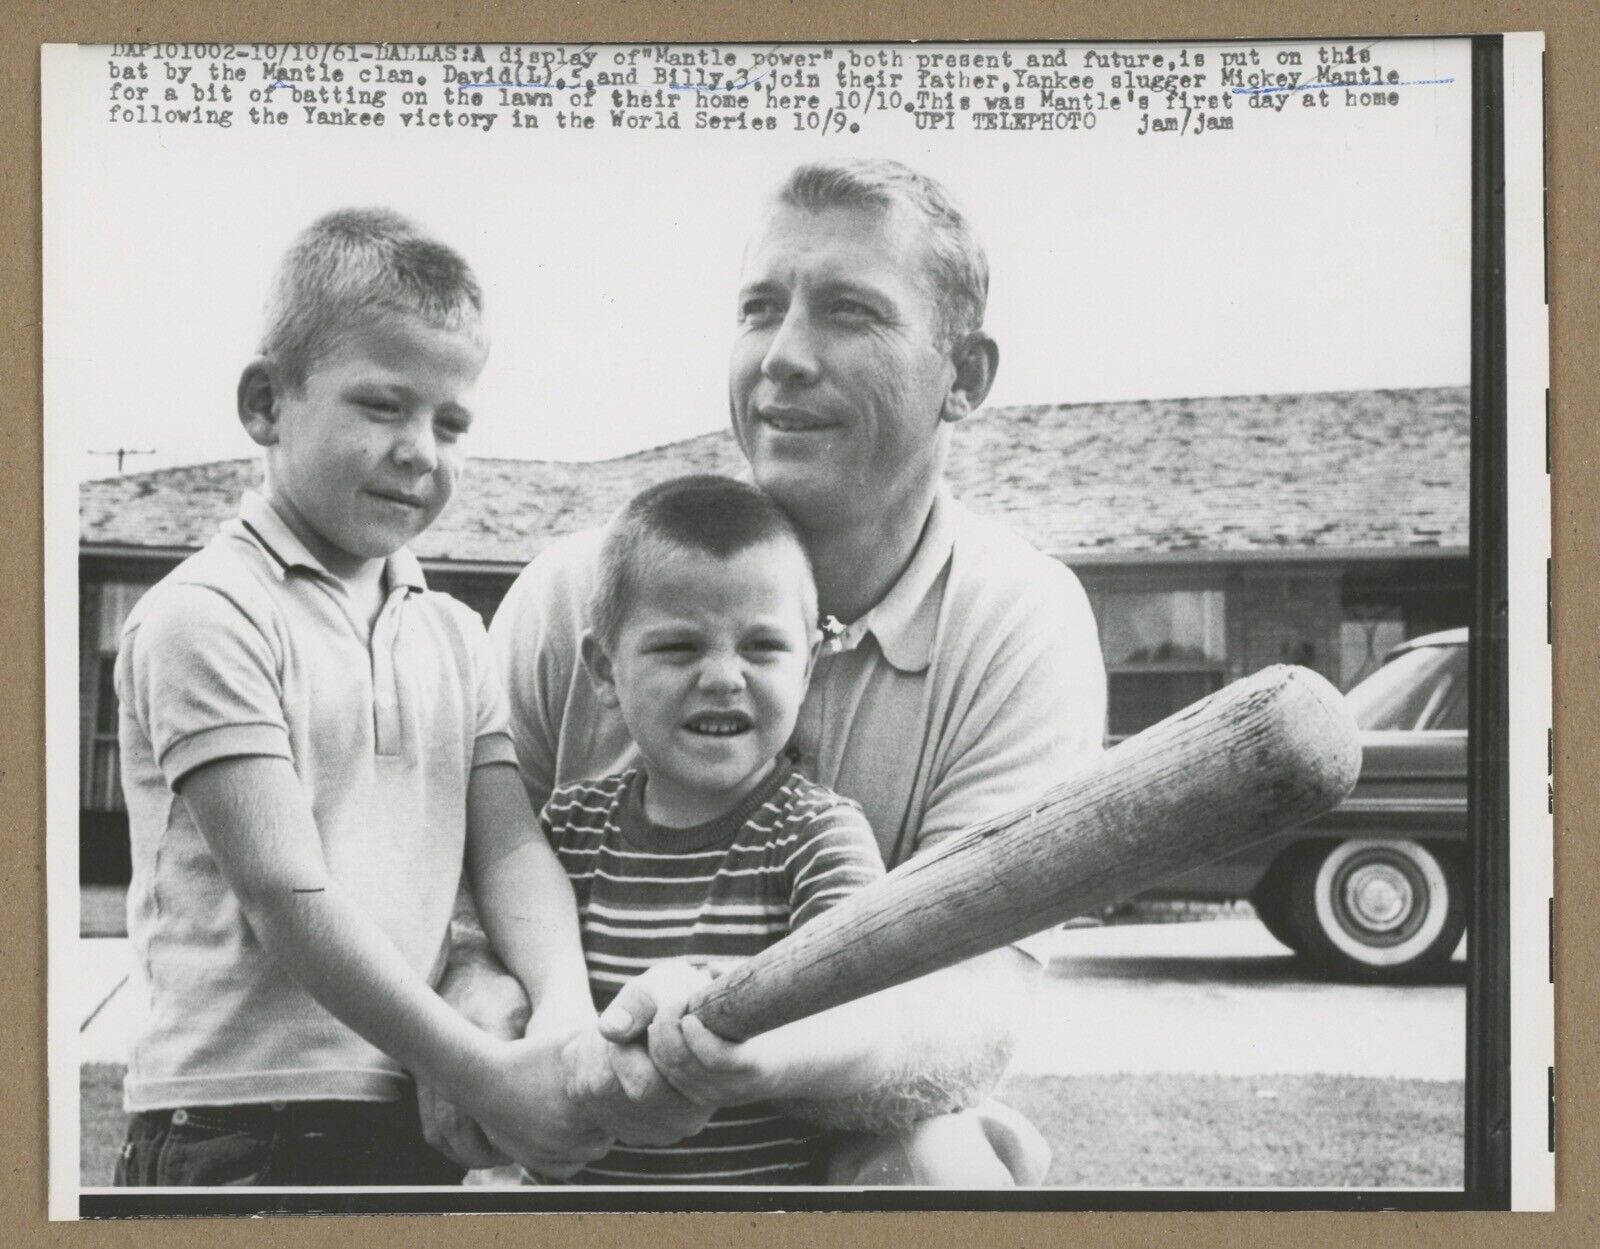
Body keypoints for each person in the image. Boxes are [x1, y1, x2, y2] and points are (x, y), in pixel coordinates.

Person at [437, 158, 1108, 1185]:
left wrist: (738, 1045)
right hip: (580, 1130)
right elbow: (460, 889)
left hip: (833, 1125)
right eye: (760, 307)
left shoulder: (1019, 619)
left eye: (849, 311)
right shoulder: (576, 592)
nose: (783, 356)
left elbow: (966, 1007)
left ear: (963, 377)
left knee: (937, 1161)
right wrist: (486, 1021)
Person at [111, 208, 613, 1186]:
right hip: (240, 1128)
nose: (421, 449)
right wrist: (477, 1069)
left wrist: (563, 1016)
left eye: (450, 421)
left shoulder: (453, 634)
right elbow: (285, 893)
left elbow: (509, 849)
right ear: (266, 404)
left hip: (407, 1119)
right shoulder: (208, 613)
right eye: (382, 406)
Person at [499, 474, 887, 1184]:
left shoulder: (816, 837)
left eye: (763, 647)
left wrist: (756, 1038)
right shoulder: (570, 829)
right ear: (602, 670)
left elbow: (866, 1012)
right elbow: (507, 991)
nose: (722, 676)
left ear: (810, 665)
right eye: (679, 648)